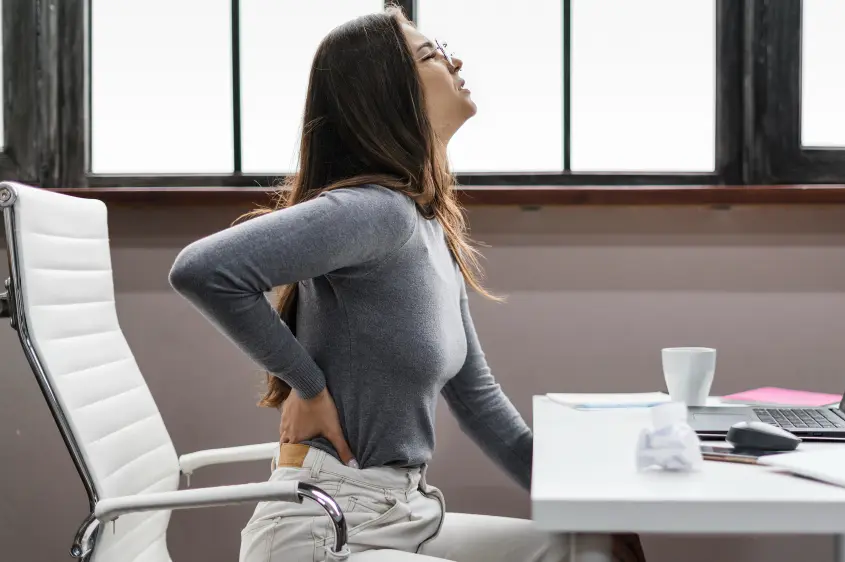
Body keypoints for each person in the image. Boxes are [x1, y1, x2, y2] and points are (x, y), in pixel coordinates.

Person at [169, 6, 644, 561]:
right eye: (430, 54)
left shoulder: (425, 226)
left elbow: (477, 397)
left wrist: (584, 503)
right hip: (324, 527)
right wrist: (307, 383)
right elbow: (203, 270)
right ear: (387, 94)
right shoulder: (376, 212)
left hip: (404, 511)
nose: (455, 59)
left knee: (598, 548)